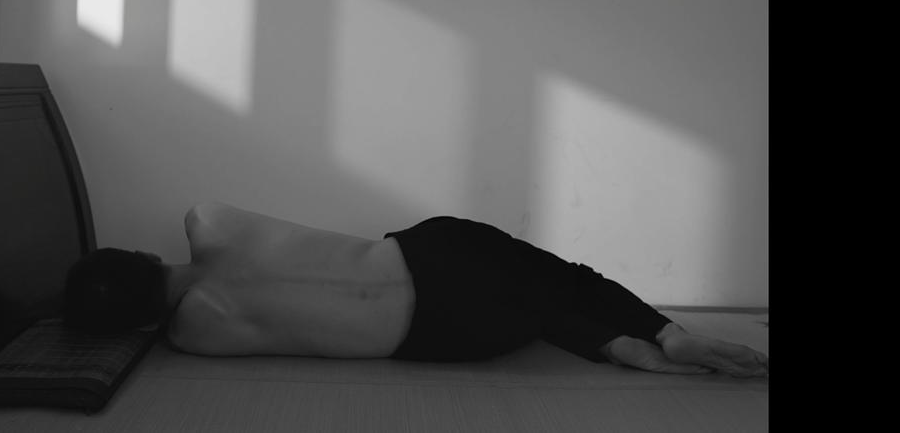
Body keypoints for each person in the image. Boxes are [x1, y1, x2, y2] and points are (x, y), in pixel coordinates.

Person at [64, 202, 768, 377]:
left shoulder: (193, 334)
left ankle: (612, 344)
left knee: (532, 310)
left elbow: (163, 323)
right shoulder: (208, 219)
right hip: (435, 252)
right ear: (142, 254)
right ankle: (664, 329)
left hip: (448, 334)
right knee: (562, 280)